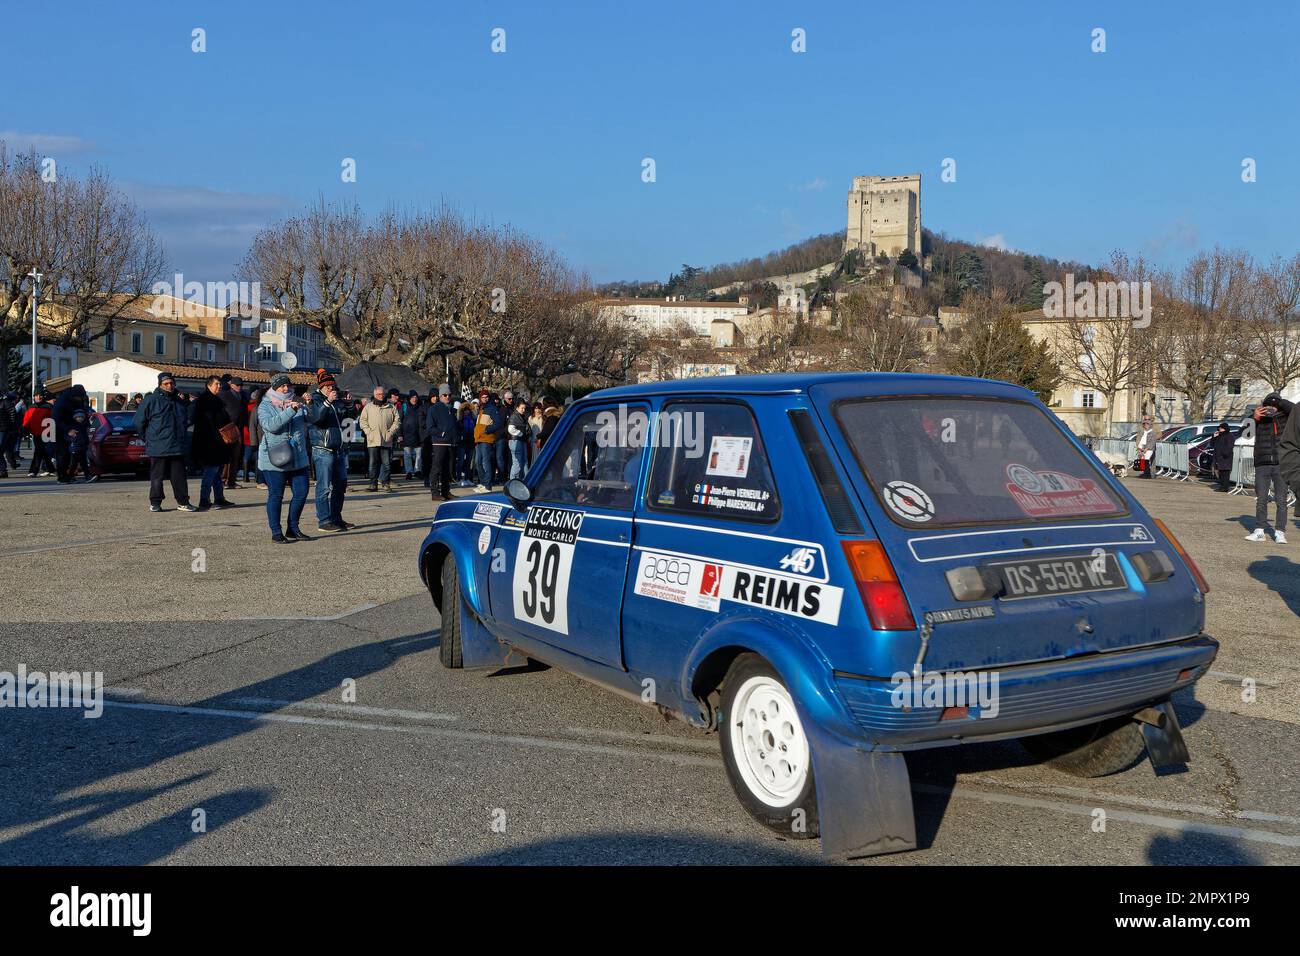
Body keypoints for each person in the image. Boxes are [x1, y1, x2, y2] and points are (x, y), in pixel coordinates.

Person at [259, 373, 312, 542]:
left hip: (298, 456)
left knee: (302, 492)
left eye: (288, 385)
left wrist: (309, 406)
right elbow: (271, 426)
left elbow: (312, 421)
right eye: (282, 386)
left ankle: (293, 527)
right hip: (275, 458)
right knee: (276, 495)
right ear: (274, 387)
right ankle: (276, 531)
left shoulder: (296, 402)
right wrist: (291, 410)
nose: (286, 388)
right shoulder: (265, 405)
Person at [134, 371, 195, 512]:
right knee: (157, 477)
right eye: (166, 383)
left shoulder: (179, 402)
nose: (169, 386)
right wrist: (147, 438)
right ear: (160, 384)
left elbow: (186, 420)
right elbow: (138, 422)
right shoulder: (151, 400)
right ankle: (155, 503)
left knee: (179, 477)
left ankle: (183, 502)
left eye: (171, 383)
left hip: (177, 446)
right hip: (158, 446)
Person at [305, 369, 352, 533]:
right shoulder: (314, 400)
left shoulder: (337, 400)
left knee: (340, 486)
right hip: (323, 449)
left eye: (334, 386)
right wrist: (327, 403)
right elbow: (316, 419)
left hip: (339, 449)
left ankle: (336, 518)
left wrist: (349, 405)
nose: (332, 389)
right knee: (324, 487)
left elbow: (349, 420)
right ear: (322, 387)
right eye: (329, 386)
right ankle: (324, 520)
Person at [1246, 393, 1295, 543]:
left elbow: (1296, 410)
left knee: (1281, 500)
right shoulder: (1258, 419)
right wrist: (1254, 417)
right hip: (1262, 463)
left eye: (1274, 406)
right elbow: (1245, 434)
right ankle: (1259, 530)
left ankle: (1280, 532)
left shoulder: (1287, 418)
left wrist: (1280, 403)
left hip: (1281, 464)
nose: (1271, 408)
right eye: (1268, 405)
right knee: (1261, 498)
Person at [192, 375, 235, 509]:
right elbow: (209, 423)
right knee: (211, 471)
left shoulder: (215, 400)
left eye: (219, 384)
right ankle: (204, 500)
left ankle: (219, 498)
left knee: (217, 471)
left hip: (217, 441)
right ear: (209, 385)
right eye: (216, 384)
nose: (219, 386)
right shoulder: (206, 401)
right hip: (210, 441)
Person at [359, 385, 400, 492]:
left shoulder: (391, 407)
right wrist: (368, 432)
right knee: (373, 463)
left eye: (382, 394)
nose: (380, 396)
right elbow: (362, 421)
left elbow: (397, 421)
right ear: (374, 395)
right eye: (378, 394)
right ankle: (373, 484)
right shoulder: (368, 407)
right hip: (373, 440)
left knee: (386, 464)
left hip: (386, 440)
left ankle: (385, 483)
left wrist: (390, 432)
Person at [423, 383, 457, 502]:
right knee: (436, 468)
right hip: (439, 443)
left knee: (448, 469)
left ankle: (446, 491)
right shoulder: (434, 409)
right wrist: (441, 433)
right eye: (444, 395)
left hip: (451, 443)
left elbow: (454, 426)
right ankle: (435, 492)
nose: (447, 397)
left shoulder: (452, 410)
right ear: (440, 396)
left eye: (449, 395)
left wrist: (456, 436)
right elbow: (430, 427)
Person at [219, 374, 248, 489]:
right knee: (226, 456)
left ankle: (231, 480)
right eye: (237, 385)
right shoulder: (224, 395)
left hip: (239, 428)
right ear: (231, 385)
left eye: (241, 385)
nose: (239, 387)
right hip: (227, 428)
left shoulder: (243, 396)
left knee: (236, 456)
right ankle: (222, 480)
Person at [473, 390, 501, 492]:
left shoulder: (492, 409)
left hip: (486, 439)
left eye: (486, 397)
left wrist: (487, 430)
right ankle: (484, 484)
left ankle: (488, 486)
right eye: (483, 397)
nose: (485, 398)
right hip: (478, 439)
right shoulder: (481, 409)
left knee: (486, 463)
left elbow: (498, 423)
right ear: (480, 398)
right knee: (478, 463)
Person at [23, 391, 56, 477]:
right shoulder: (31, 408)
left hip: (47, 433)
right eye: (36, 396)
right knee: (42, 451)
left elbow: (53, 419)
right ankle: (50, 468)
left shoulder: (49, 407)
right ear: (34, 397)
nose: (38, 397)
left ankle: (34, 470)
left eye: (40, 395)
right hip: (36, 433)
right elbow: (27, 420)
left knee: (39, 451)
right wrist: (25, 429)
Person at [507, 395, 529, 481]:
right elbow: (510, 429)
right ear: (517, 408)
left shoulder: (521, 416)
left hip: (521, 441)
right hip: (516, 441)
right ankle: (512, 481)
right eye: (522, 408)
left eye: (524, 408)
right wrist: (520, 433)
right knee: (517, 463)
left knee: (523, 462)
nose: (523, 410)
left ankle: (525, 480)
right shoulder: (515, 416)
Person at [402, 391, 423, 480]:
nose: (414, 399)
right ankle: (409, 472)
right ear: (409, 398)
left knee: (419, 455)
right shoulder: (404, 407)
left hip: (418, 435)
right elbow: (399, 421)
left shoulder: (420, 407)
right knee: (407, 455)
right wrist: (399, 434)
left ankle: (417, 471)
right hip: (407, 434)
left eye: (416, 397)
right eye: (412, 397)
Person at [1210, 421, 1236, 493]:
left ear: (1224, 429)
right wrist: (1213, 437)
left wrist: (1224, 453)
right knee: (1220, 473)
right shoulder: (1219, 436)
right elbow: (1212, 444)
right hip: (1219, 458)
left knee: (1225, 473)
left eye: (1221, 428)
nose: (1219, 430)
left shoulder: (1229, 436)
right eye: (1219, 428)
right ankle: (1222, 486)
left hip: (1225, 458)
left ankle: (1224, 488)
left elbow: (1229, 446)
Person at [0, 390, 16, 478]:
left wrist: (11, 427)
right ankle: (3, 470)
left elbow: (13, 414)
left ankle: (3, 470)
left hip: (4, 430)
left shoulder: (5, 402)